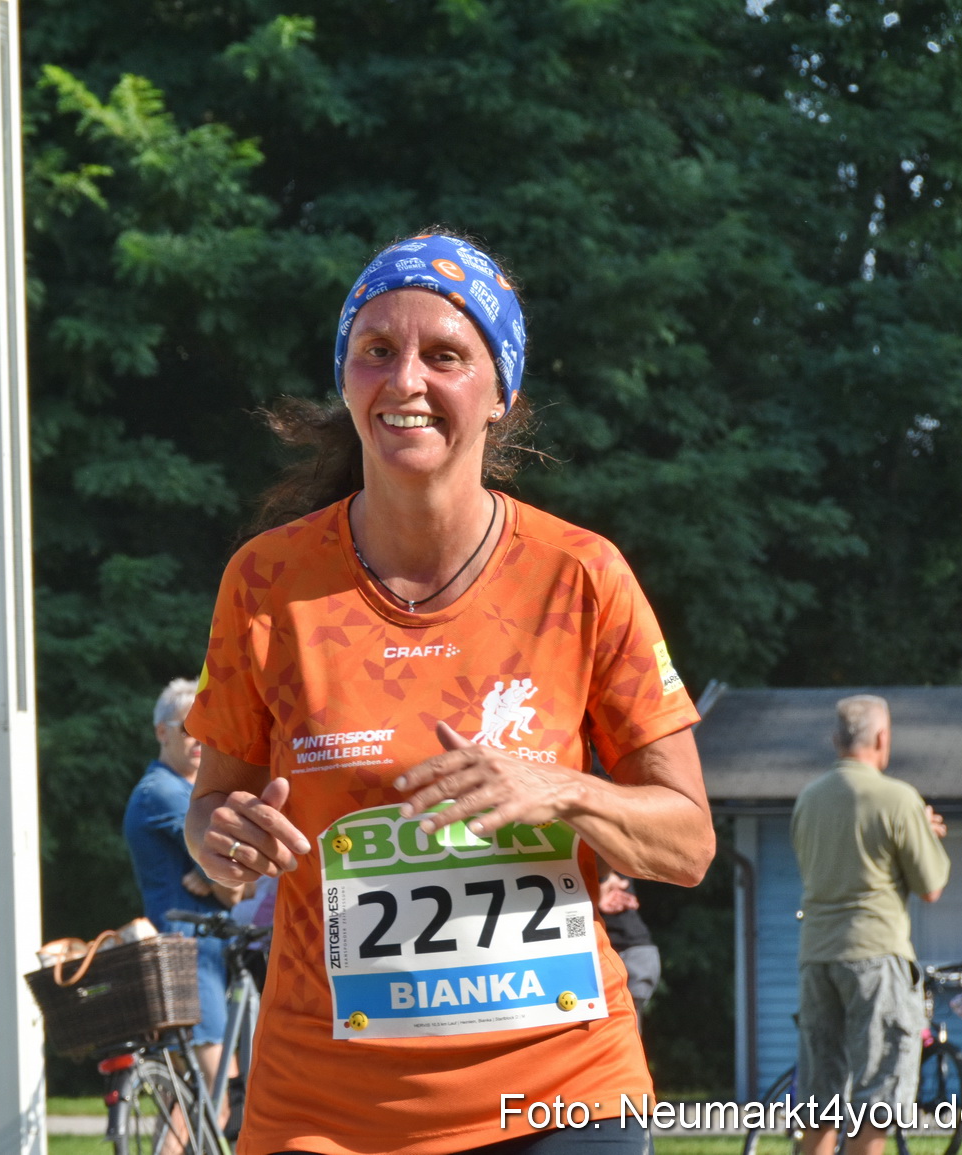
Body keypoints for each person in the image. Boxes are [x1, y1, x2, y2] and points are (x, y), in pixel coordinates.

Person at [181, 228, 714, 1155]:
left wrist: (560, 789)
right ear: (347, 378)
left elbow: (688, 842)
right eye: (377, 350)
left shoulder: (581, 575)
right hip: (327, 1106)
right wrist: (224, 839)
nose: (407, 380)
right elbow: (209, 813)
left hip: (559, 1091)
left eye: (445, 355)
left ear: (501, 391)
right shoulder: (267, 581)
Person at [791, 695, 949, 1155]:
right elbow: (931, 885)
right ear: (882, 739)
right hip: (875, 954)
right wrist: (925, 834)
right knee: (876, 1101)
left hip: (817, 954)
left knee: (820, 1102)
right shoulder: (898, 799)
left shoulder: (809, 799)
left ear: (835, 740)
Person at [123, 678, 242, 1126]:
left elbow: (230, 879)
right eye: (188, 729)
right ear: (161, 732)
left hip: (197, 955)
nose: (200, 741)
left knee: (188, 1100)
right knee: (216, 1095)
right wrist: (224, 880)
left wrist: (218, 877)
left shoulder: (186, 793)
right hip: (189, 958)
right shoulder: (166, 793)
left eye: (208, 731)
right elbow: (233, 887)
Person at [597, 865, 659, 1023]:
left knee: (624, 1020)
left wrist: (605, 879)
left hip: (630, 954)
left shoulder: (611, 868)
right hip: (632, 952)